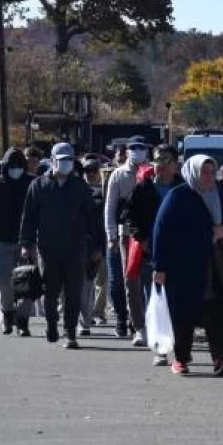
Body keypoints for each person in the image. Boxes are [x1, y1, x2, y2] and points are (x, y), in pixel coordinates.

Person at [152, 155, 223, 375]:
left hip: (214, 260)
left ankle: (219, 359)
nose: (208, 177)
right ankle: (181, 359)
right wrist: (159, 266)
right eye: (203, 172)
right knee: (183, 312)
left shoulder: (219, 194)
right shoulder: (178, 196)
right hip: (183, 264)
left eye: (211, 172)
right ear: (193, 172)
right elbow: (161, 232)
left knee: (215, 307)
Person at [19, 142, 103, 349]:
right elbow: (28, 217)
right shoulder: (38, 186)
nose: (65, 164)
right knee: (50, 291)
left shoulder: (80, 187)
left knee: (73, 292)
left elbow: (93, 219)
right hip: (48, 250)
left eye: (69, 160)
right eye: (62, 160)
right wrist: (26, 244)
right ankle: (51, 324)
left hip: (75, 249)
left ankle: (71, 332)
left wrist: (96, 247)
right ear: (53, 161)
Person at [125, 145, 184, 360]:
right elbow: (129, 217)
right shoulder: (144, 188)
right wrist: (142, 239)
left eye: (165, 160)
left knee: (175, 301)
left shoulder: (183, 189)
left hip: (178, 253)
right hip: (152, 253)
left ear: (175, 164)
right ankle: (160, 348)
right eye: (157, 160)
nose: (160, 165)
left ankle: (179, 347)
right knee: (155, 299)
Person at [0, 148, 35, 336]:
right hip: (3, 242)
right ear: (5, 167)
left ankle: (23, 320)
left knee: (28, 283)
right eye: (12, 166)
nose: (15, 169)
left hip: (27, 243)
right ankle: (7, 313)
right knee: (4, 280)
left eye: (19, 166)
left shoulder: (32, 184)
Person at [104, 137, 150, 337]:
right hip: (124, 235)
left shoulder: (151, 174)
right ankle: (123, 318)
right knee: (123, 280)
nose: (137, 151)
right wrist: (111, 235)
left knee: (144, 280)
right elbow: (110, 207)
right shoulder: (118, 175)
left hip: (146, 235)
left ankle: (140, 321)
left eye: (141, 148)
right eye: (133, 148)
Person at [78, 155, 109, 335]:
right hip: (81, 245)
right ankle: (86, 317)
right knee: (84, 283)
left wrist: (103, 245)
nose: (90, 174)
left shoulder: (104, 190)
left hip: (100, 242)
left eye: (93, 170)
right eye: (86, 171)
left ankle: (98, 312)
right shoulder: (77, 190)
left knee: (101, 281)